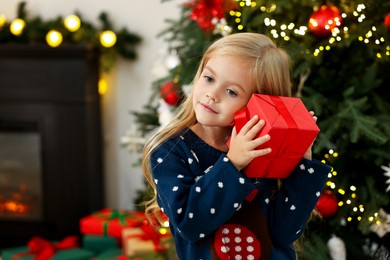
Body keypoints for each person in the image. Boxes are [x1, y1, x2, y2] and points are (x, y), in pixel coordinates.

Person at [142, 32, 331, 260]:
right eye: (209, 78)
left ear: (259, 104)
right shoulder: (171, 151)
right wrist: (232, 164)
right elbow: (189, 225)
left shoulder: (261, 146)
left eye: (231, 92)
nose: (212, 94)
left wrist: (302, 166)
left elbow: (284, 232)